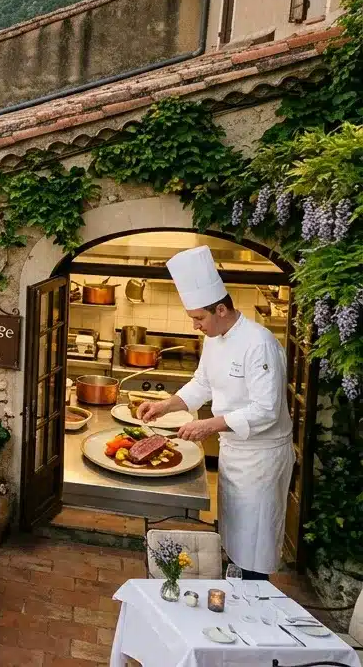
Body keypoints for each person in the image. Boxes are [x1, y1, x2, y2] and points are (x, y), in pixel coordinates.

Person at [134, 246, 292, 582]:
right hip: (233, 455)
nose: (195, 326)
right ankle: (236, 588)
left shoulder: (258, 343)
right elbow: (201, 384)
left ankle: (254, 598)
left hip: (261, 460)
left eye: (199, 319)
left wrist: (208, 425)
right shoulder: (215, 339)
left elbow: (267, 409)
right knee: (234, 538)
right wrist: (166, 405)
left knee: (255, 544)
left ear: (221, 309)